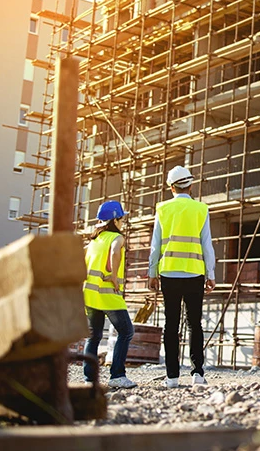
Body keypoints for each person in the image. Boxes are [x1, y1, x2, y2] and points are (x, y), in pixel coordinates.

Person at [148, 165, 216, 388]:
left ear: (171, 187)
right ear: (191, 185)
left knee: (171, 324)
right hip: (195, 273)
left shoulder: (163, 209)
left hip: (169, 273)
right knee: (194, 323)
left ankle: (172, 377)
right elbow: (207, 245)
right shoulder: (201, 209)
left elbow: (155, 245)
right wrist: (211, 273)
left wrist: (152, 272)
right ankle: (197, 373)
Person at [83, 200, 136, 389]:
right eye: (121, 219)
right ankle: (117, 375)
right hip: (108, 294)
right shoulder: (117, 238)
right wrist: (113, 276)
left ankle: (89, 380)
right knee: (126, 331)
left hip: (90, 295)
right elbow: (115, 252)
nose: (123, 222)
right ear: (115, 220)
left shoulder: (94, 240)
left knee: (93, 336)